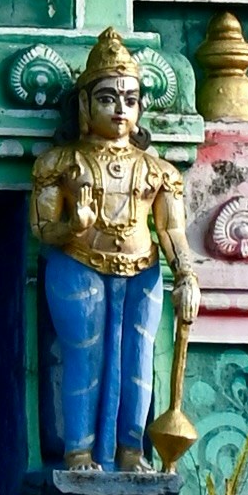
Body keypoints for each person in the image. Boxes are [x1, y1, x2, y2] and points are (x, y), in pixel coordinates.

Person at [30, 28, 199, 469]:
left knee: (138, 360)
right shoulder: (60, 163)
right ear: (85, 106)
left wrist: (186, 275)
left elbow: (171, 230)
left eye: (130, 99)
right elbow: (42, 228)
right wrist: (72, 225)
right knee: (85, 353)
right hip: (77, 262)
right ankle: (78, 451)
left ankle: (131, 451)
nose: (120, 109)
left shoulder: (159, 170)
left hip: (143, 268)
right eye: (107, 98)